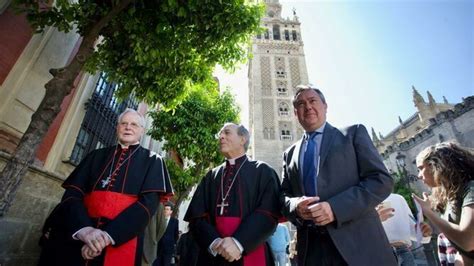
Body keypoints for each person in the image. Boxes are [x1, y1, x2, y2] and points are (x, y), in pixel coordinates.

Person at [38, 108, 173, 266]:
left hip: (122, 238)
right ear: (117, 128)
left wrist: (107, 236)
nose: (128, 127)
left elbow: (147, 206)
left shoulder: (153, 161)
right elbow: (72, 195)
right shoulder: (95, 155)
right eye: (124, 123)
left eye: (134, 124)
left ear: (142, 131)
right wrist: (85, 230)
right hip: (80, 236)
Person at [280, 85, 397, 265]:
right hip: (312, 252)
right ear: (296, 113)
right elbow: (283, 197)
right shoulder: (289, 154)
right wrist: (295, 206)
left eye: (313, 101)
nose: (308, 107)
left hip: (359, 248)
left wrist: (335, 208)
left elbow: (381, 180)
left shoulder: (352, 134)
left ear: (325, 106)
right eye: (301, 104)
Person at [184, 123, 281, 265]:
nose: (221, 137)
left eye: (227, 133)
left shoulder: (263, 171)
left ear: (242, 139)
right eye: (220, 134)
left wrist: (239, 242)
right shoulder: (211, 176)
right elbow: (197, 216)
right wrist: (215, 242)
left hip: (250, 248)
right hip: (214, 253)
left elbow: (269, 212)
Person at [413, 142, 474, 265]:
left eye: (420, 168)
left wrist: (429, 213)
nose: (419, 176)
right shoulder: (449, 196)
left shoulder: (470, 188)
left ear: (436, 166)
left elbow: (467, 241)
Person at [377, 193, 433, 266]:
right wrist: (374, 219)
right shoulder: (361, 199)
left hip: (405, 253)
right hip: (378, 254)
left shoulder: (399, 198)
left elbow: (411, 230)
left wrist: (423, 232)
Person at [154, 202, 179, 266]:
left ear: (171, 211)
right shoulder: (159, 220)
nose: (165, 211)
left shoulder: (175, 221)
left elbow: (176, 235)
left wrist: (172, 244)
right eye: (164, 209)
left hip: (168, 250)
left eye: (167, 209)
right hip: (158, 248)